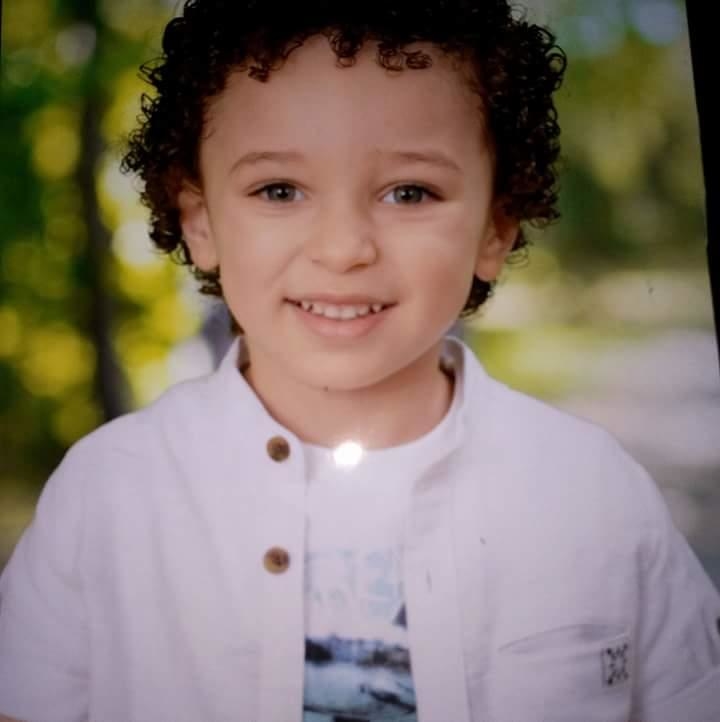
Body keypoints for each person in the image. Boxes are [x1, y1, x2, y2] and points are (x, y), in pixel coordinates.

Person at [1, 1, 719, 721]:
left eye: (410, 192)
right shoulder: (107, 496)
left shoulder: (595, 492)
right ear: (201, 220)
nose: (344, 248)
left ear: (495, 228)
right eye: (279, 190)